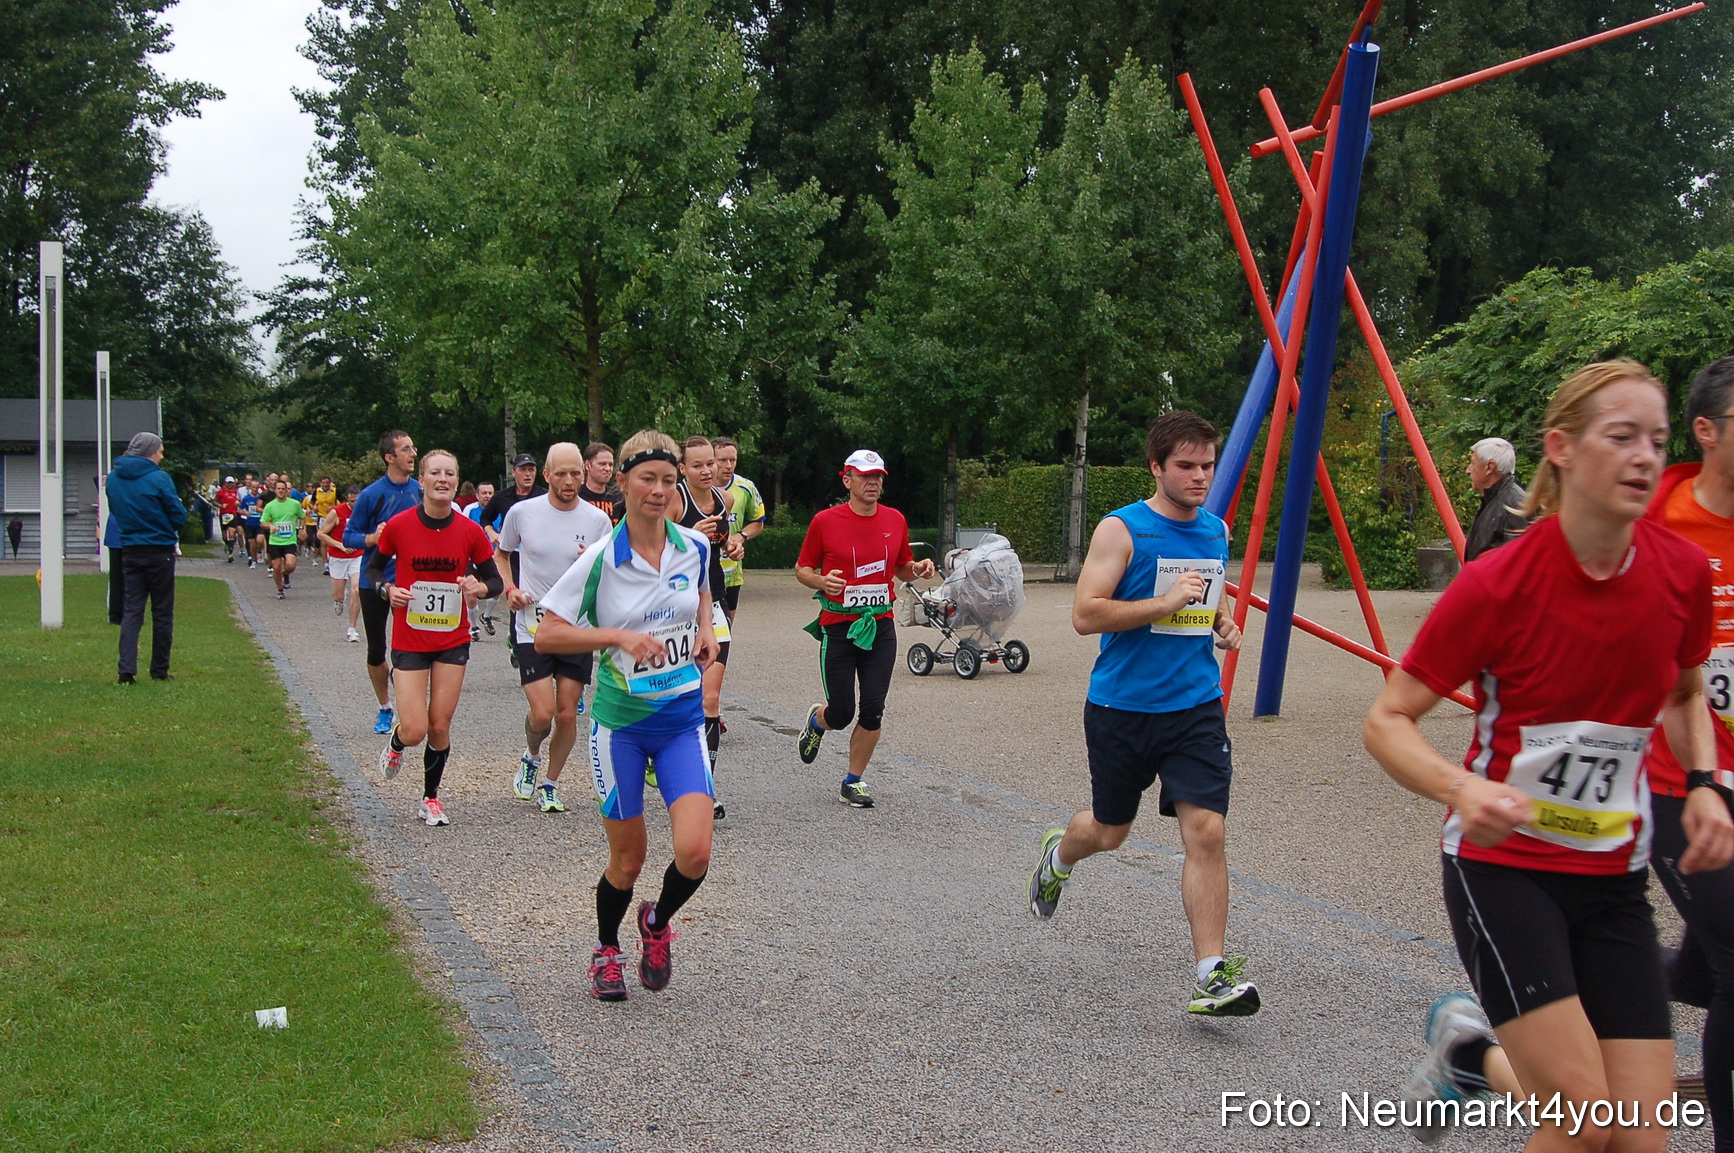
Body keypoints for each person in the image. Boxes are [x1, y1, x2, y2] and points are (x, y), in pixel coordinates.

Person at [1363, 359, 1734, 1150]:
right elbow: (1389, 718)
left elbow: (1683, 694)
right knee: (1579, 1112)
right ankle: (1476, 1053)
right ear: (1561, 446)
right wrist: (1461, 787)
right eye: (1622, 436)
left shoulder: (1677, 574)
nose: (1644, 456)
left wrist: (1702, 782)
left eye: (1657, 440)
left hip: (1613, 881)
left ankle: (1469, 1055)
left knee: (1638, 1136)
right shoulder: (1499, 584)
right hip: (1505, 871)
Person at [1023, 412, 1259, 1018]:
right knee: (1110, 831)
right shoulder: (1120, 530)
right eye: (1186, 466)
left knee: (1207, 829)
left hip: (1196, 709)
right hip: (1122, 709)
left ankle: (1210, 974)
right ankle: (1060, 855)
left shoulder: (1214, 531)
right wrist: (1162, 601)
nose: (1200, 476)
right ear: (1156, 467)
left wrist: (1223, 622)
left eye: (1207, 465)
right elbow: (1085, 614)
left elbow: (1208, 598)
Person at [533, 428, 720, 1001]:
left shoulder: (695, 546)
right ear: (624, 482)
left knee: (695, 853)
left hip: (682, 720)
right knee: (629, 859)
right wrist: (618, 636)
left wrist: (707, 632)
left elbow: (702, 595)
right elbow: (546, 634)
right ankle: (606, 948)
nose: (660, 490)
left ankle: (656, 924)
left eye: (669, 479)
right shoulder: (600, 558)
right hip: (622, 728)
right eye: (647, 479)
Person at [1643, 354, 1734, 1152]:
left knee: (1710, 963)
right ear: (1706, 432)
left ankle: (1509, 1033)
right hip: (1678, 780)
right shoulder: (1658, 527)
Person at [794, 450, 935, 808]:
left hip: (880, 624)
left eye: (878, 477)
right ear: (848, 481)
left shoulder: (895, 519)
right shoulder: (825, 521)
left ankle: (852, 781)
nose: (873, 483)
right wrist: (822, 581)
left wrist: (916, 569)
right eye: (865, 476)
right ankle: (817, 722)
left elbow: (901, 565)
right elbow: (802, 569)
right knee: (841, 712)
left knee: (873, 709)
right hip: (838, 626)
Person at [371, 449, 501, 826]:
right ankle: (397, 741)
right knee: (416, 728)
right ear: (423, 481)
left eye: (449, 474)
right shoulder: (399, 525)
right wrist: (387, 592)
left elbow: (494, 580)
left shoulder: (469, 530)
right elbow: (375, 570)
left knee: (440, 726)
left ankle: (430, 798)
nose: (442, 479)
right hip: (410, 637)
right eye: (435, 473)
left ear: (456, 482)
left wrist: (478, 586)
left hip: (451, 638)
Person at [495, 442, 612, 813]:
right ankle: (531, 756)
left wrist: (592, 565)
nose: (569, 481)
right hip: (532, 625)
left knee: (566, 712)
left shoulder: (597, 521)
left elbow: (610, 575)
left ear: (585, 473)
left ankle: (551, 782)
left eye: (575, 473)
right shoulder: (522, 512)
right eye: (560, 473)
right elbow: (501, 554)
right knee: (543, 713)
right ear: (546, 475)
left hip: (575, 627)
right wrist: (510, 590)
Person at [672, 437, 741, 819]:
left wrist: (733, 546)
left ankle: (704, 790)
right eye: (697, 465)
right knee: (675, 696)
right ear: (683, 469)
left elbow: (722, 543)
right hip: (673, 608)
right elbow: (650, 545)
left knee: (710, 700)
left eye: (711, 463)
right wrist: (687, 535)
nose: (707, 470)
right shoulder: (675, 500)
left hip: (713, 603)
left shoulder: (725, 501)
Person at [346, 431, 423, 735]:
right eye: (406, 449)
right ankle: (384, 707)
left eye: (413, 448)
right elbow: (348, 537)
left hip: (411, 583)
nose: (413, 454)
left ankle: (412, 708)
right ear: (389, 457)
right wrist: (372, 538)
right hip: (374, 581)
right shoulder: (371, 494)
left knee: (409, 650)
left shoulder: (420, 491)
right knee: (377, 650)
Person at [107, 432, 187, 684]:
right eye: (161, 451)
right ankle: (159, 669)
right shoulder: (159, 478)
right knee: (162, 611)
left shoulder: (113, 479)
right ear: (150, 451)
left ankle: (126, 669)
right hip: (159, 550)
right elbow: (178, 516)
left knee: (132, 610)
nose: (162, 456)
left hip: (129, 549)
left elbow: (116, 511)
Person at [484, 454, 548, 664]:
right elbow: (486, 517)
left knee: (540, 598)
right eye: (523, 470)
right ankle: (518, 644)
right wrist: (492, 533)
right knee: (517, 597)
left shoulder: (543, 495)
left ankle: (541, 640)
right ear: (514, 473)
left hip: (538, 556)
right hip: (513, 556)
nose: (527, 474)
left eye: (531, 470)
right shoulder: (503, 497)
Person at [714, 436, 766, 625]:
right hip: (701, 573)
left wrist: (741, 536)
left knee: (725, 632)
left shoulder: (745, 487)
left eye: (733, 460)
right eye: (722, 460)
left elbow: (758, 522)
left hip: (731, 574)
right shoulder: (695, 488)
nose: (728, 465)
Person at [1464, 437, 1531, 562]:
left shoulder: (1513, 505)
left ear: (1489, 467)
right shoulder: (1495, 500)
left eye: (1472, 463)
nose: (1468, 470)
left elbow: (1519, 566)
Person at [319, 482, 365, 642]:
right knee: (337, 595)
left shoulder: (365, 511)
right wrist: (340, 545)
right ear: (346, 499)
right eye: (352, 501)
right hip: (338, 557)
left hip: (357, 556)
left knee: (357, 590)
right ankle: (339, 599)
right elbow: (321, 534)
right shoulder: (336, 513)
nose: (355, 504)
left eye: (357, 500)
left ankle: (352, 628)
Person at [464, 481, 499, 641]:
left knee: (498, 589)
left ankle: (486, 616)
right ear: (477, 495)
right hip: (472, 558)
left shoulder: (500, 511)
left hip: (492, 557)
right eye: (484, 493)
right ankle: (474, 627)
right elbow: (462, 532)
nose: (487, 496)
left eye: (490, 493)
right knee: (471, 594)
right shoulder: (470, 510)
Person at [261, 478, 303, 599]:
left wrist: (301, 529)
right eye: (278, 489)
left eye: (283, 489)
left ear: (287, 491)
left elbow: (302, 516)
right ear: (275, 490)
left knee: (291, 565)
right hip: (275, 541)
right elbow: (262, 522)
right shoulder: (270, 506)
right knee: (276, 567)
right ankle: (280, 589)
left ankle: (286, 574)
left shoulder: (294, 504)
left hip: (290, 540)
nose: (280, 491)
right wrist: (270, 526)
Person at [579, 442, 625, 524]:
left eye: (610, 465)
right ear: (587, 465)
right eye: (602, 464)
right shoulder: (577, 496)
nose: (607, 469)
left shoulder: (618, 497)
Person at [238, 479, 264, 568]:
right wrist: (245, 513)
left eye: (257, 487)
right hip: (250, 523)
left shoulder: (261, 498)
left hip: (259, 523)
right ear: (250, 487)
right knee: (251, 543)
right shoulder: (246, 498)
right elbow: (240, 510)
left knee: (260, 540)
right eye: (253, 487)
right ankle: (253, 559)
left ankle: (260, 551)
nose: (255, 489)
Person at [217, 477, 240, 563]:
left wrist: (238, 503)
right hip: (223, 515)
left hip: (233, 515)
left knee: (231, 533)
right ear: (225, 483)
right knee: (224, 537)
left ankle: (230, 554)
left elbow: (240, 501)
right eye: (228, 483)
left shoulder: (236, 492)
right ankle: (228, 544)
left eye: (232, 483)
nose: (230, 485)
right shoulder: (221, 491)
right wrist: (220, 505)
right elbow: (214, 501)